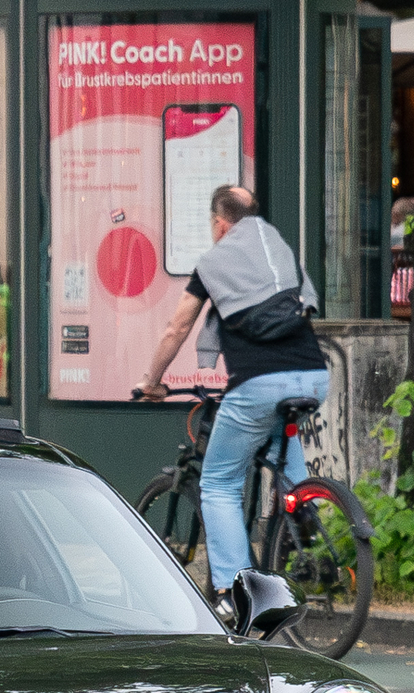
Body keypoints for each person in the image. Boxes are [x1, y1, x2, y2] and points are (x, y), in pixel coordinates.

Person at [133, 186, 327, 595]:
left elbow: (178, 327)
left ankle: (235, 592)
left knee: (218, 483)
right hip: (313, 375)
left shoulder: (213, 263)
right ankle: (301, 513)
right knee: (280, 433)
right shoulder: (280, 251)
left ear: (220, 224)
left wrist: (152, 381)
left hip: (258, 383)